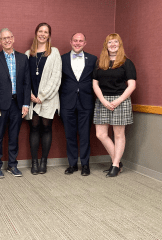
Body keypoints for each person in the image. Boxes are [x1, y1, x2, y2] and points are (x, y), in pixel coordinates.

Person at [0, 28, 31, 178]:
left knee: (14, 135)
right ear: (0, 41)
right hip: (0, 105)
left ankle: (12, 165)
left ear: (13, 39)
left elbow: (27, 83)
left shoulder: (22, 58)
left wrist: (26, 104)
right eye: (3, 38)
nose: (7, 40)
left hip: (17, 104)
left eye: (9, 37)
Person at [93, 33, 136, 177]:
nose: (112, 44)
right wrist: (103, 100)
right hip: (102, 101)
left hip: (121, 100)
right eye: (110, 42)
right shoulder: (100, 63)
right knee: (101, 134)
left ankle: (115, 164)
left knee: (118, 135)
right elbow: (95, 83)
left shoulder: (126, 62)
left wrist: (118, 101)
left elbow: (131, 85)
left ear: (120, 45)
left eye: (115, 42)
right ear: (106, 45)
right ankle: (117, 162)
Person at [25, 23, 62, 175]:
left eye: (45, 32)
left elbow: (56, 77)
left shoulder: (54, 52)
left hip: (49, 98)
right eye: (40, 31)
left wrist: (42, 96)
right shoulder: (28, 53)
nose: (42, 34)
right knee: (34, 127)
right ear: (36, 33)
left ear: (49, 35)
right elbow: (24, 77)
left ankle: (44, 161)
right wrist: (30, 95)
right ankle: (34, 162)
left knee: (46, 127)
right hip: (31, 98)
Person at [60, 33, 97, 176]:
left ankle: (85, 165)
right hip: (66, 102)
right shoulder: (62, 58)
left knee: (85, 135)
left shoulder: (93, 59)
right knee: (69, 135)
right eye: (75, 40)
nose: (77, 43)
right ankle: (72, 164)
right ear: (70, 42)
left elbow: (97, 80)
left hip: (86, 102)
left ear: (85, 43)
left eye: (80, 41)